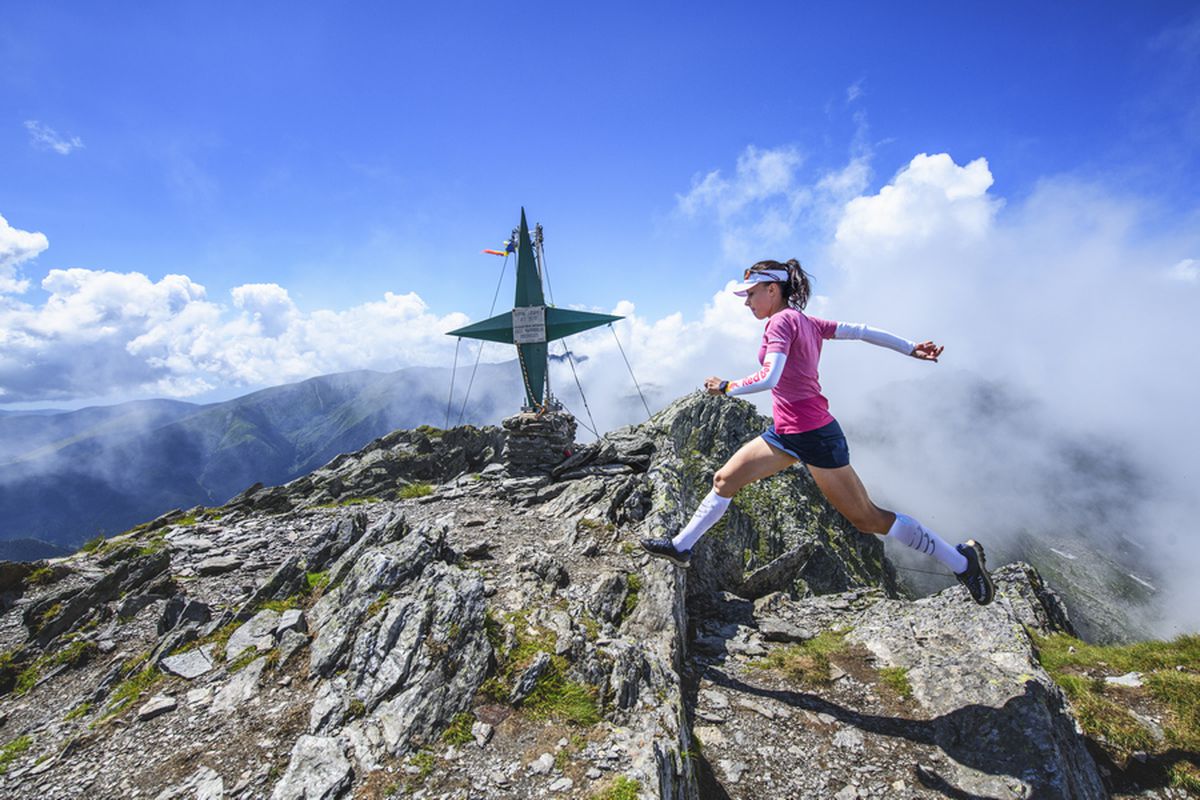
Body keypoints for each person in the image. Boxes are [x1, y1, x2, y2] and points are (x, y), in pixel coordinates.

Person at [639, 259, 994, 605]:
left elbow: (769, 377)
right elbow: (861, 331)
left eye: (751, 294)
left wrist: (726, 386)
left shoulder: (780, 323)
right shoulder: (806, 321)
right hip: (784, 433)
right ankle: (681, 547)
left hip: (815, 437)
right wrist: (910, 348)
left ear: (772, 289)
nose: (747, 302)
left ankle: (963, 563)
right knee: (724, 480)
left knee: (868, 519)